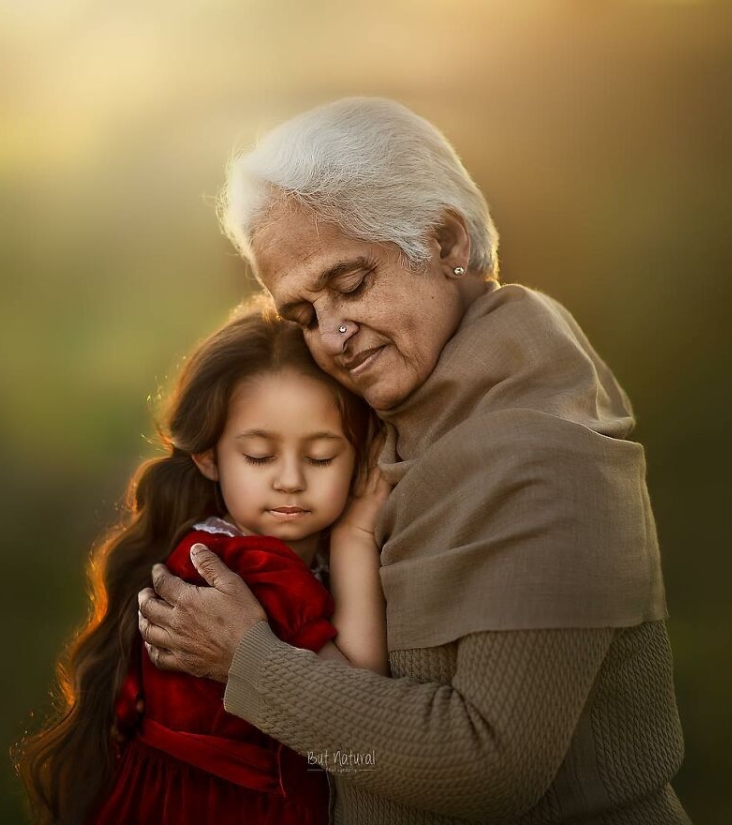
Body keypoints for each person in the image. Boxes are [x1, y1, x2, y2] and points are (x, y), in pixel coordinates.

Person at [137, 98, 692, 824]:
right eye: (303, 314)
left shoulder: (539, 453)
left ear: (445, 240)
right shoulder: (397, 414)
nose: (332, 334)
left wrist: (249, 659)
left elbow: (484, 766)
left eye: (349, 283)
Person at [14, 298, 389, 824]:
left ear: (361, 455)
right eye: (259, 455)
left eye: (321, 456)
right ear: (209, 457)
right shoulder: (235, 568)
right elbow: (359, 698)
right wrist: (357, 531)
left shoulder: (219, 543)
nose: (290, 479)